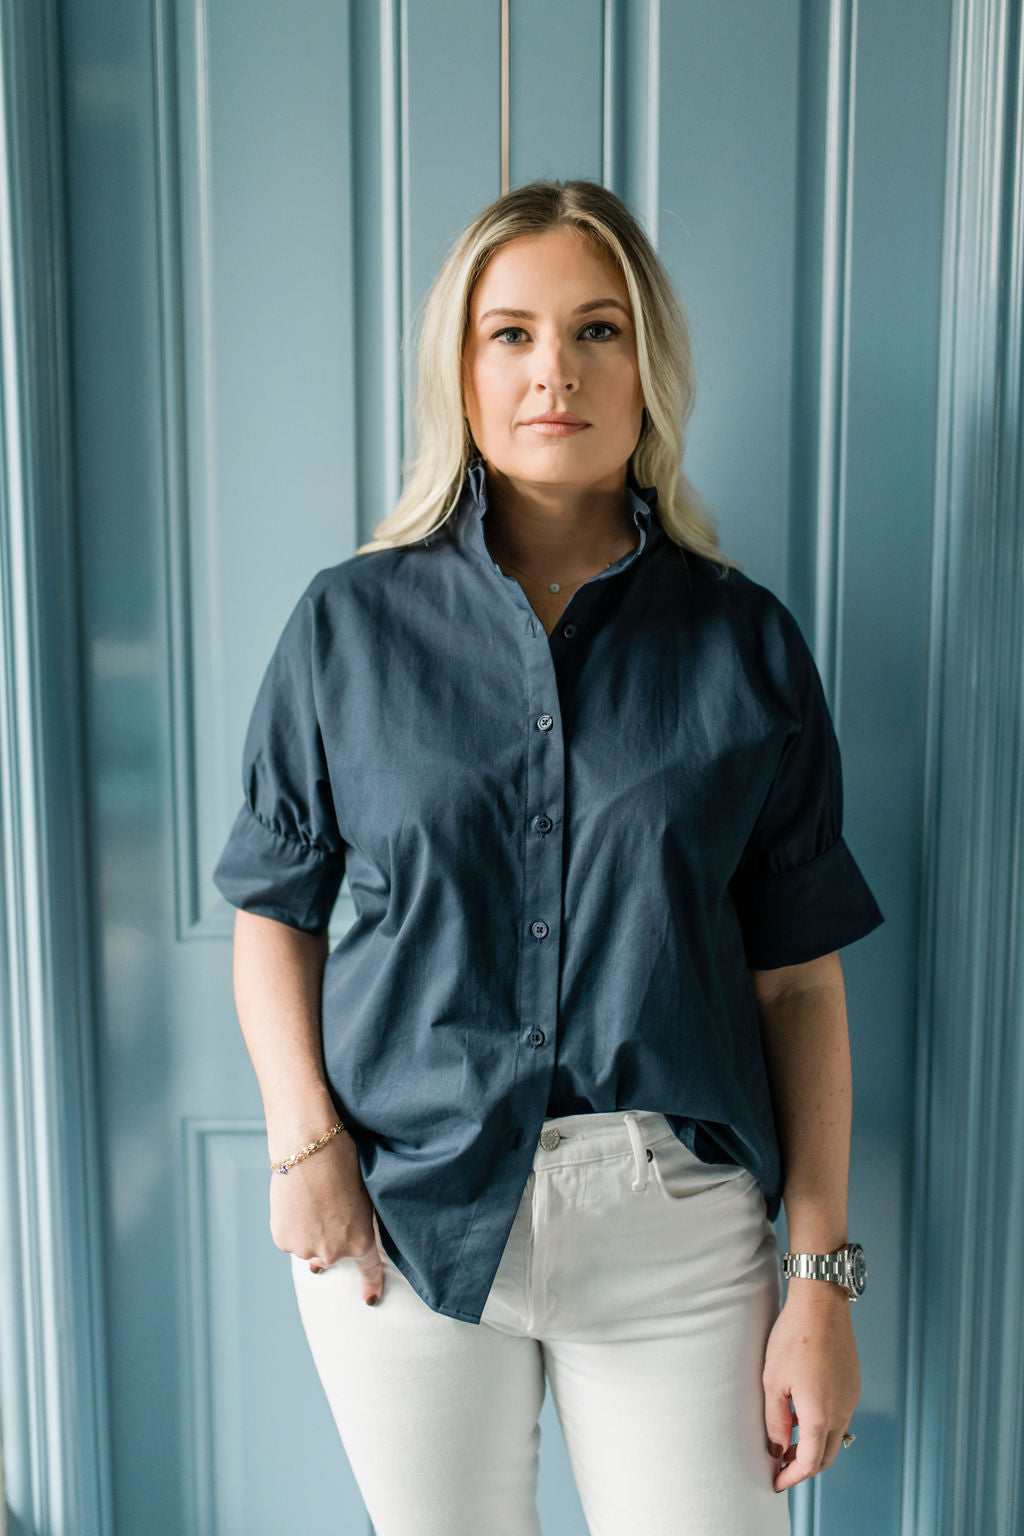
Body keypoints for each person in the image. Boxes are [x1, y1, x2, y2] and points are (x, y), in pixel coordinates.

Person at [212, 178, 884, 1536]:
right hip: (401, 1221)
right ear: (459, 370)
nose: (553, 372)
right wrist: (303, 1149)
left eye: (597, 330)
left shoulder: (745, 645)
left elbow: (799, 987)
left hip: (677, 1235)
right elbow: (274, 914)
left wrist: (819, 1280)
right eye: (508, 333)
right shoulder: (347, 628)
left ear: (647, 367)